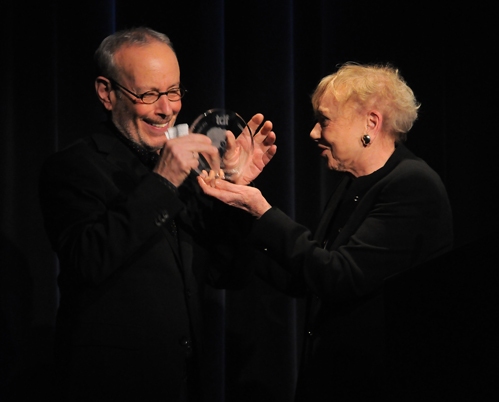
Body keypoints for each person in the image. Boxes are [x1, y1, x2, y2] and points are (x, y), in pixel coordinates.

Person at [38, 27, 276, 401]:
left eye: (173, 91)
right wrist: (163, 181)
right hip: (110, 384)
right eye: (148, 94)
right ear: (106, 92)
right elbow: (87, 260)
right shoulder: (74, 166)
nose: (166, 109)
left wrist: (235, 192)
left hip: (183, 382)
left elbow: (229, 273)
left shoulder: (186, 169)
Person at [198, 62, 454, 400]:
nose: (314, 133)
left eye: (325, 120)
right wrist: (241, 197)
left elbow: (340, 276)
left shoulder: (413, 186)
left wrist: (263, 211)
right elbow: (304, 276)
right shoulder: (353, 184)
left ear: (371, 123)